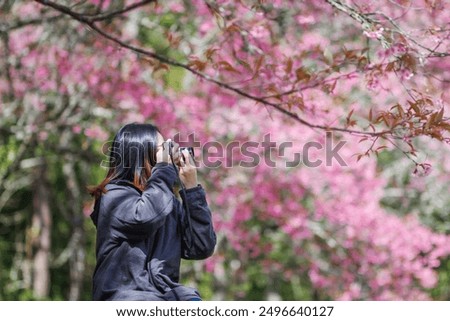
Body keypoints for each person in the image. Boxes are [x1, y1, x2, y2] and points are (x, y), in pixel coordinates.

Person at [88, 123, 216, 301]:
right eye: (162, 148)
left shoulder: (166, 200)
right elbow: (145, 217)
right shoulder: (114, 195)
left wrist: (192, 189)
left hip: (165, 294)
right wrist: (164, 169)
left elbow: (201, 247)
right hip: (127, 295)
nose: (168, 153)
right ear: (139, 154)